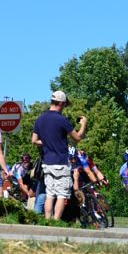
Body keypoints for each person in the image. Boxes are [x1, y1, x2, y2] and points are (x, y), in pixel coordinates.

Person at [31, 90, 87, 220]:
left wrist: (47, 142)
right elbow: (77, 137)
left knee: (50, 194)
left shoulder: (40, 119)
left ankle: (47, 220)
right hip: (61, 162)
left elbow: (34, 141)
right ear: (61, 103)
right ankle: (56, 221)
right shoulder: (61, 120)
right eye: (65, 105)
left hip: (47, 163)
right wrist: (83, 124)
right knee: (62, 195)